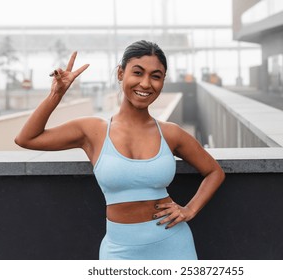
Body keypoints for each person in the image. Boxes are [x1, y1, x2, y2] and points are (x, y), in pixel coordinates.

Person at [15, 40, 225, 260]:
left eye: (156, 76)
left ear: (163, 82)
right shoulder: (92, 131)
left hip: (173, 245)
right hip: (120, 252)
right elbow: (27, 138)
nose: (145, 83)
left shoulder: (171, 133)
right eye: (137, 73)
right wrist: (56, 94)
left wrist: (190, 209)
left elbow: (214, 172)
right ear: (120, 74)